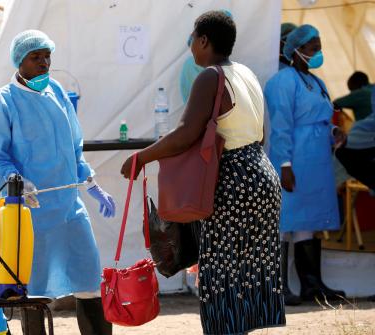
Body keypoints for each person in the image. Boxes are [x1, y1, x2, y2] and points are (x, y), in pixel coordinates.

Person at [121, 11, 285, 334]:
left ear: (204, 40)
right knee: (249, 270)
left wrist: (142, 157)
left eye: (193, 40)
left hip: (232, 180)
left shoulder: (210, 77)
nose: (191, 47)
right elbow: (262, 132)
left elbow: (185, 133)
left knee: (221, 273)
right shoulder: (246, 74)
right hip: (262, 175)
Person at [0, 30, 115, 335]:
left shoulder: (56, 92)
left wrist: (91, 184)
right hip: (32, 217)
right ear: (19, 61)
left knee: (91, 283)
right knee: (33, 293)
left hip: (70, 211)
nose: (44, 63)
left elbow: (73, 148)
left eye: (47, 56)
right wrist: (15, 181)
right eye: (35, 57)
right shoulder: (2, 104)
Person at [264, 24, 347, 305]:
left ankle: (313, 284)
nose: (319, 53)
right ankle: (278, 286)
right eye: (314, 49)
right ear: (296, 50)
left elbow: (323, 118)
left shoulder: (317, 82)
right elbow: (281, 126)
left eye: (319, 48)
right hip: (293, 160)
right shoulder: (283, 81)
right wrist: (285, 164)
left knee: (308, 221)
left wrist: (333, 132)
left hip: (316, 162)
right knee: (285, 220)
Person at [335, 87, 375, 193]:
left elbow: (335, 104)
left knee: (341, 153)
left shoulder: (360, 93)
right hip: (365, 141)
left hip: (363, 141)